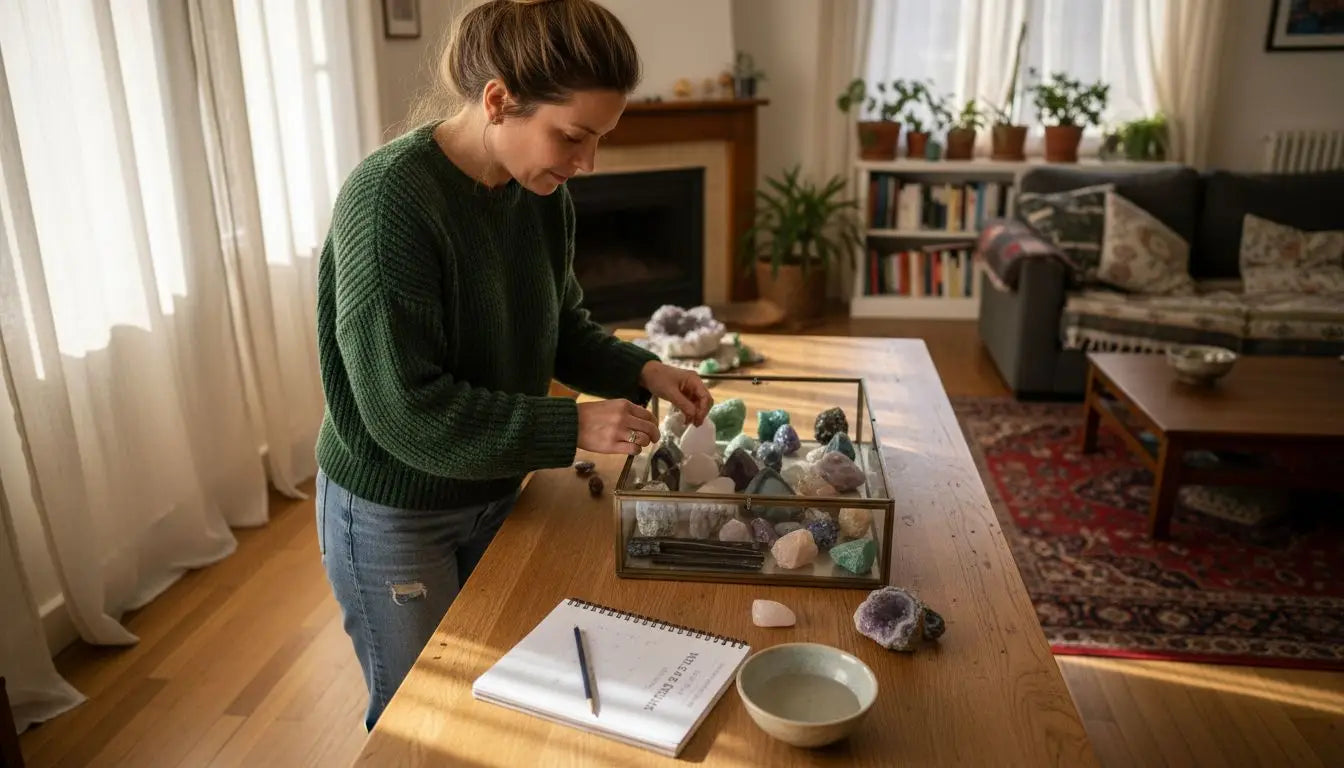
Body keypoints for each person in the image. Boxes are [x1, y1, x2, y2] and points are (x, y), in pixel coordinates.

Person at [313, 0, 713, 729]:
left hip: (495, 487)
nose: (585, 163)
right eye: (573, 136)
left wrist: (643, 372)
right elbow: (406, 412)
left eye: (599, 141)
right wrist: (573, 426)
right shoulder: (390, 202)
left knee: (500, 700)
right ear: (498, 100)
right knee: (419, 721)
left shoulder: (539, 192)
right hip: (395, 512)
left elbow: (558, 328)